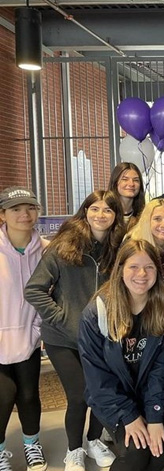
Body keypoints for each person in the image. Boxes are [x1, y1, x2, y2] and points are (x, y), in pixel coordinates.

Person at [25, 190, 125, 471]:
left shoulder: (117, 249)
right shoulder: (64, 246)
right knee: (80, 393)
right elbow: (34, 289)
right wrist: (60, 316)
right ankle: (74, 450)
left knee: (102, 390)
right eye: (95, 209)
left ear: (116, 216)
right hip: (63, 337)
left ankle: (94, 440)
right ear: (85, 211)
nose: (101, 215)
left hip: (102, 336)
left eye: (108, 210)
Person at [78, 239, 164, 471]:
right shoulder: (96, 314)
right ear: (120, 269)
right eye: (133, 266)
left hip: (152, 394)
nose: (142, 274)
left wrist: (154, 416)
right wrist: (130, 416)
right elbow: (98, 378)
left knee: (161, 452)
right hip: (113, 398)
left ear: (158, 270)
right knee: (136, 453)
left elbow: (162, 368)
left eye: (149, 267)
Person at [0, 188, 49, 471]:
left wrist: (37, 331)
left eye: (30, 208)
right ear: (3, 214)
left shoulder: (46, 248)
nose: (24, 214)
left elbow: (52, 291)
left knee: (29, 395)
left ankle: (32, 444)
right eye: (16, 209)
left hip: (29, 339)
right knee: (4, 397)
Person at [108, 162, 146, 230]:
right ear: (115, 182)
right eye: (125, 179)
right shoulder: (106, 213)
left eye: (136, 180)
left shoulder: (144, 215)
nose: (131, 184)